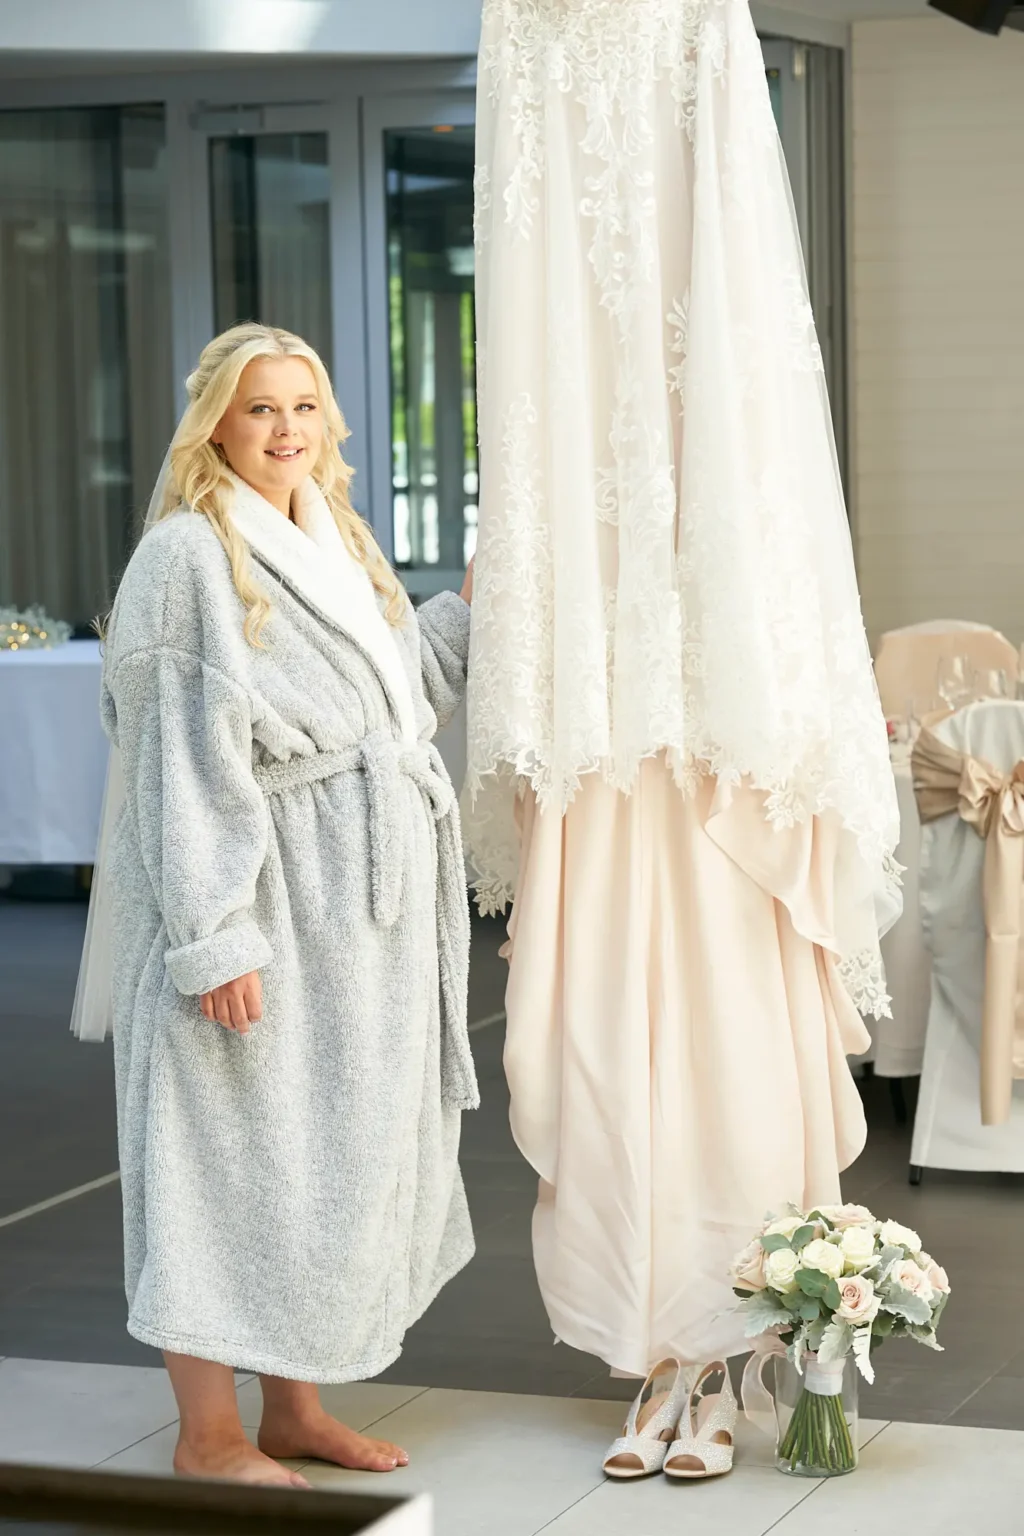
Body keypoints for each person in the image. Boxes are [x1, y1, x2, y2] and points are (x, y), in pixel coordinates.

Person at [466, 0, 902, 1457]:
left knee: (724, 1035)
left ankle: (721, 1353)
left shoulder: (697, 24)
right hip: (594, 682)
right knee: (602, 1045)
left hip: (712, 691)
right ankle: (658, 1356)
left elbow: (740, 343)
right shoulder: (521, 34)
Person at [73, 322, 478, 1485]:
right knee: (216, 1157)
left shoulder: (333, 533)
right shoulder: (185, 558)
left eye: (304, 406)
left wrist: (474, 596)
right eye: (260, 408)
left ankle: (295, 1409)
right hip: (257, 900)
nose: (286, 429)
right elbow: (179, 761)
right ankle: (209, 1436)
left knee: (312, 1159)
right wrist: (213, 937)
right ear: (215, 425)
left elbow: (401, 697)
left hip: (356, 917)